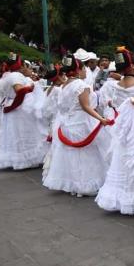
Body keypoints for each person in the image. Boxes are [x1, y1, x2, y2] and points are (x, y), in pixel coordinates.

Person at [95, 48, 134, 214]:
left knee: (121, 160)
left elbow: (112, 104)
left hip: (122, 129)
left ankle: (121, 199)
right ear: (131, 67)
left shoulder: (116, 86)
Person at [43, 56, 112, 197]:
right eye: (84, 68)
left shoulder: (63, 86)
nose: (86, 71)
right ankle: (85, 184)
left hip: (67, 123)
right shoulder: (81, 85)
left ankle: (73, 184)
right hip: (82, 123)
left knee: (72, 156)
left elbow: (62, 107)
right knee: (87, 155)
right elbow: (86, 106)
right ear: (78, 70)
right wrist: (101, 119)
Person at [0, 53, 48, 170]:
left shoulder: (6, 75)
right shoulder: (16, 76)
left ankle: (19, 159)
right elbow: (20, 91)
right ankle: (25, 159)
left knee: (15, 134)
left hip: (11, 105)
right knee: (23, 133)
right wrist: (30, 88)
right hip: (18, 108)